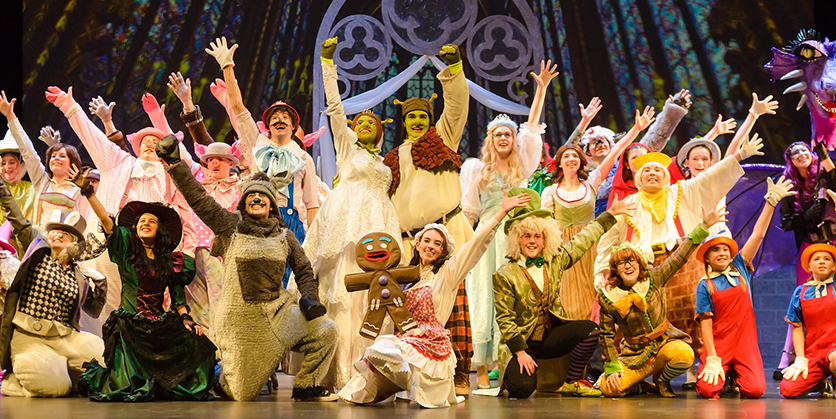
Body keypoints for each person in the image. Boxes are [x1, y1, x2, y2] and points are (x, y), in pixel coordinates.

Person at [156, 136, 339, 402]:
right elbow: (198, 199)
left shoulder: (285, 236)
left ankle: (306, 386)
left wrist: (310, 298)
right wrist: (175, 164)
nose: (256, 198)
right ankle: (220, 375)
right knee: (241, 395)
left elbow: (303, 269)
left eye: (262, 196)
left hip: (278, 315)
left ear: (272, 204)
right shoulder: (231, 227)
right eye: (251, 195)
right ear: (243, 204)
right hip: (241, 323)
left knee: (326, 331)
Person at [338, 191, 531, 407]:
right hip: (407, 339)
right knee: (374, 361)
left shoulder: (448, 273)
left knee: (390, 353)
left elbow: (476, 245)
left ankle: (417, 384)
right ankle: (393, 386)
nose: (431, 246)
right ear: (417, 244)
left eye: (437, 244)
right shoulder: (403, 277)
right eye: (427, 241)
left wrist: (500, 213)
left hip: (432, 342)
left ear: (442, 250)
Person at [302, 37, 401, 389]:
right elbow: (335, 108)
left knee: (372, 296)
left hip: (376, 227)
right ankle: (339, 374)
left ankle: (370, 375)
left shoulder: (385, 162)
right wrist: (328, 64)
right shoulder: (347, 150)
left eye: (371, 123)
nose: (363, 125)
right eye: (359, 122)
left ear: (380, 132)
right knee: (343, 294)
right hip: (346, 227)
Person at [76, 167, 216, 401]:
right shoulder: (126, 250)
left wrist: (187, 320)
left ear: (160, 229)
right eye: (142, 220)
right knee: (131, 384)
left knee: (200, 344)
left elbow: (178, 299)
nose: (146, 223)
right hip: (130, 324)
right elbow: (108, 224)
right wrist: (89, 192)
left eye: (152, 221)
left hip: (158, 325)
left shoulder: (172, 262)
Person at [382, 43, 474, 395]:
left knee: (453, 304)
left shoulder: (443, 138)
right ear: (404, 122)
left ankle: (460, 369)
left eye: (423, 116)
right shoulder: (393, 157)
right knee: (412, 308)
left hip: (446, 232)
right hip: (409, 243)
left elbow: (457, 106)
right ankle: (410, 369)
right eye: (412, 117)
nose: (418, 121)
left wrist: (454, 71)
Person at [462, 59, 556, 389]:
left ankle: (508, 361)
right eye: (498, 134)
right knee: (482, 295)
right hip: (486, 237)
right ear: (490, 139)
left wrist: (540, 90)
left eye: (508, 134)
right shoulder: (476, 170)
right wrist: (465, 245)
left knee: (512, 298)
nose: (503, 138)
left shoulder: (523, 167)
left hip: (513, 238)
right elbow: (470, 212)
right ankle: (481, 369)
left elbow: (532, 127)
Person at [492, 188, 633, 398]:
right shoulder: (505, 273)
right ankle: (522, 372)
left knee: (591, 330)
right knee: (521, 389)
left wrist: (610, 214)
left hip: (550, 337)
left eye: (537, 236)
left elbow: (582, 240)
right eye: (526, 236)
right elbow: (505, 319)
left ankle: (571, 381)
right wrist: (520, 353)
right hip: (522, 343)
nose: (532, 241)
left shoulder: (555, 260)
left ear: (545, 239)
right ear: (516, 240)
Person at [540, 107, 655, 321]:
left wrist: (636, 129)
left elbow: (614, 153)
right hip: (565, 247)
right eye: (566, 156)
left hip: (593, 241)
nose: (571, 159)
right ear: (560, 163)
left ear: (582, 161)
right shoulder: (550, 192)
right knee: (570, 296)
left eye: (575, 156)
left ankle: (600, 335)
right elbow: (545, 226)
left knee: (598, 290)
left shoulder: (591, 183)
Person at [598, 205, 723, 398]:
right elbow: (606, 336)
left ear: (640, 263)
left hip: (663, 345)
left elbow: (679, 257)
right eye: (622, 263)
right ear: (616, 269)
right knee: (609, 388)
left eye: (631, 261)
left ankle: (662, 381)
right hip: (633, 356)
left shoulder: (654, 278)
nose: (628, 266)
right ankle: (642, 387)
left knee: (684, 354)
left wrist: (703, 227)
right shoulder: (609, 297)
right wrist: (612, 366)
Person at [205, 37, 319, 246]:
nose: (279, 119)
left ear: (293, 126)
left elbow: (312, 205)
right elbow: (238, 108)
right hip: (257, 221)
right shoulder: (259, 146)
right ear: (267, 126)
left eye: (285, 117)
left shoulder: (304, 159)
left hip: (290, 227)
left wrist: (313, 245)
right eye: (274, 117)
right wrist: (227, 67)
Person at [0, 175, 106, 398]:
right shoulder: (38, 252)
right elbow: (18, 219)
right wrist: (2, 188)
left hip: (65, 336)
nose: (57, 234)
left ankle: (62, 369)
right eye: (54, 231)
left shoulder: (78, 275)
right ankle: (12, 382)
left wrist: (100, 283)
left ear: (75, 244)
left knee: (105, 361)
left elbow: (94, 310)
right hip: (31, 335)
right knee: (56, 388)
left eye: (65, 234)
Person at [693, 176, 795, 399]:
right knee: (708, 390)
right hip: (720, 344)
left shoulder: (739, 266)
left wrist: (770, 203)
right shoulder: (705, 284)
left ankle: (734, 375)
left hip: (745, 344)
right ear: (707, 257)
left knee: (755, 390)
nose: (722, 253)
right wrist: (712, 357)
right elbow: (706, 326)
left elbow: (758, 234)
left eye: (725, 249)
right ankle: (725, 371)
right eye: (715, 250)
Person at [776, 141, 836, 377]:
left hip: (833, 242)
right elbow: (786, 222)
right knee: (803, 299)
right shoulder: (789, 185)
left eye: (804, 150)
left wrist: (825, 156)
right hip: (810, 247)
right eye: (794, 153)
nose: (800, 154)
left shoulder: (824, 175)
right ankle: (788, 356)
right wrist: (805, 216)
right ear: (790, 161)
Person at [1, 91, 86, 230]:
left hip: (65, 241)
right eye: (53, 156)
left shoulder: (78, 191)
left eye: (62, 156)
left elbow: (83, 224)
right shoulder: (42, 182)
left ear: (72, 163)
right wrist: (10, 116)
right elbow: (28, 152)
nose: (56, 158)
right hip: (39, 241)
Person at [780, 240, 836, 398]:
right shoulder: (801, 292)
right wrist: (800, 358)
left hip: (834, 350)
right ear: (809, 266)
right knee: (788, 389)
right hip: (814, 353)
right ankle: (820, 383)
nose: (822, 262)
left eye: (827, 259)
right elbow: (797, 327)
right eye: (817, 259)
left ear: (834, 266)